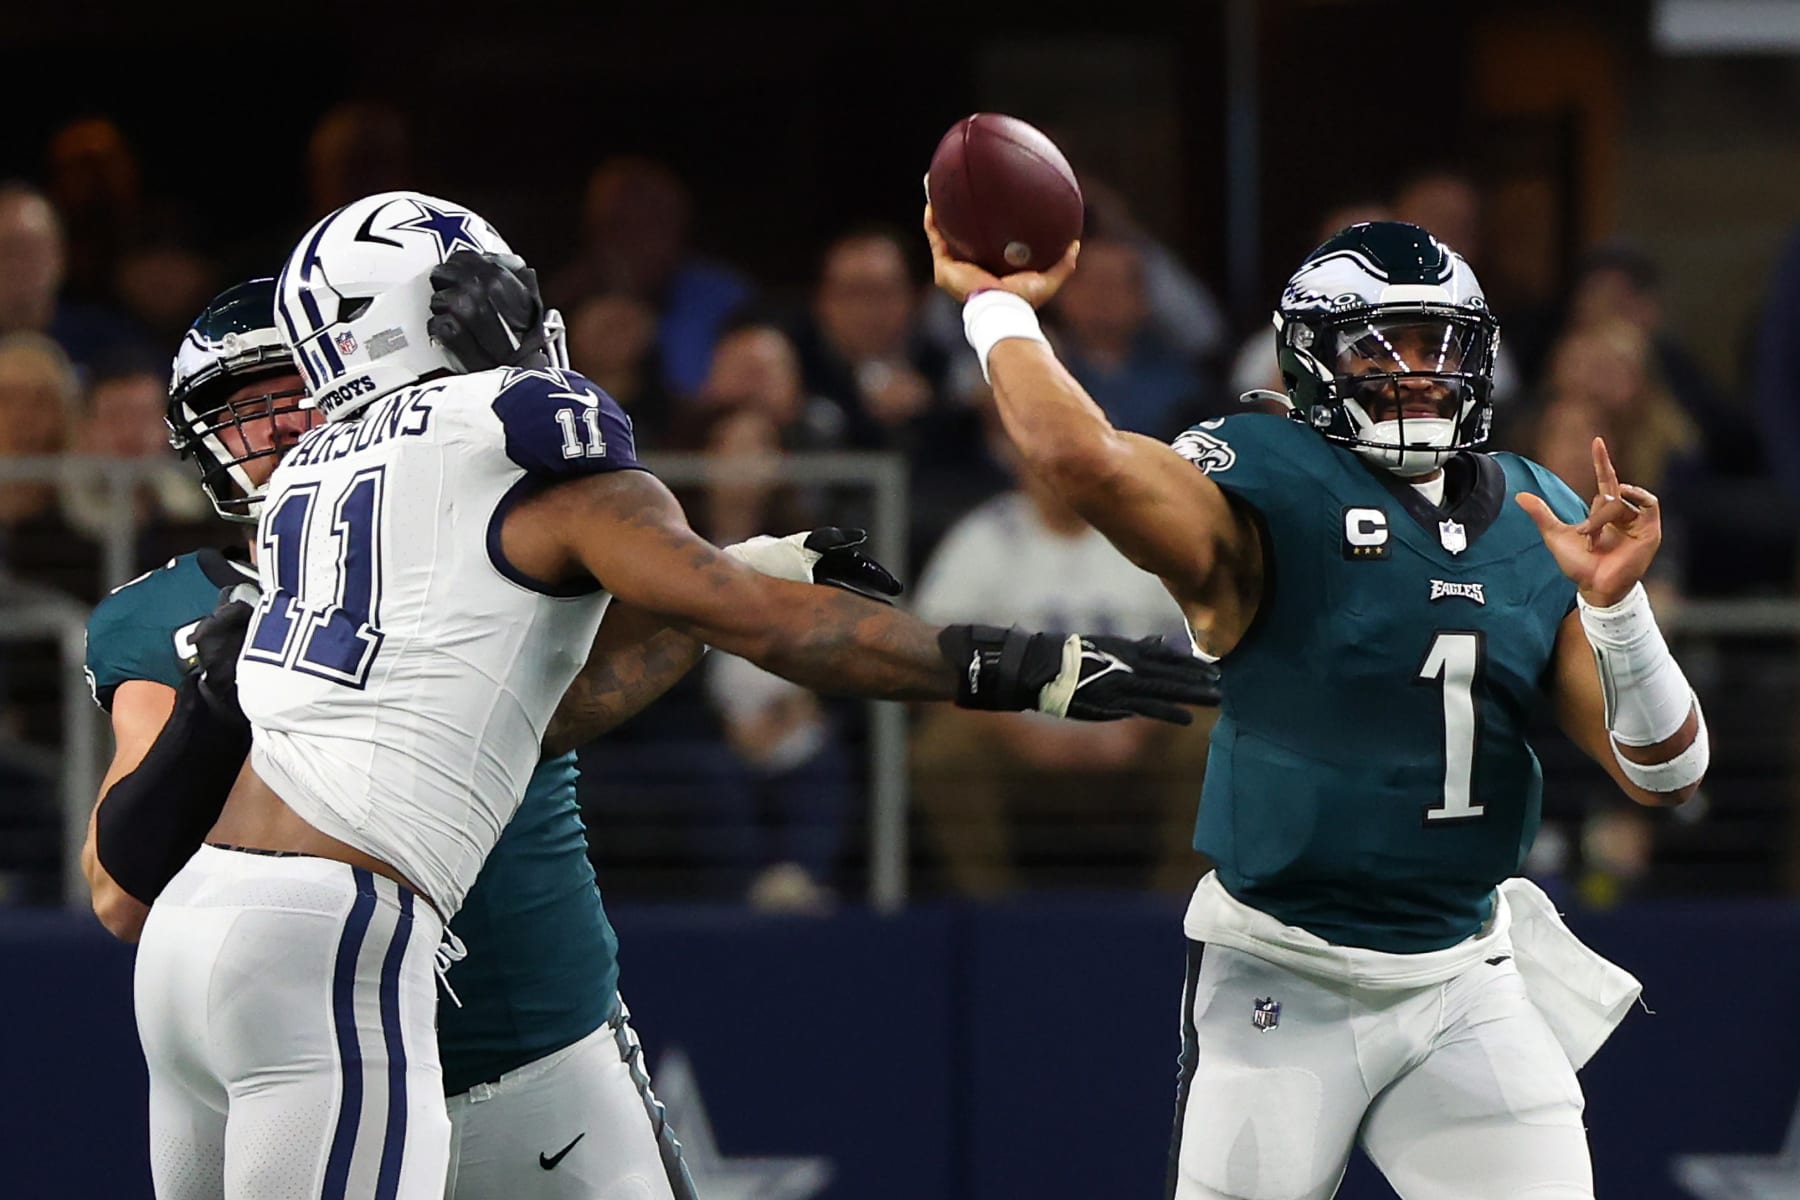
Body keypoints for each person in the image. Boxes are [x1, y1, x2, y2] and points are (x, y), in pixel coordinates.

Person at [117, 191, 1214, 1200]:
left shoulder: (313, 479)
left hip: (195, 942)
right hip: (334, 932)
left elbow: (502, 712)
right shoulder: (515, 431)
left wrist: (731, 577)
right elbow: (763, 625)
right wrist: (1014, 663)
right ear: (446, 306)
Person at [925, 212, 1708, 1200]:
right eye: (1385, 348)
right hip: (1284, 977)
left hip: (1464, 973)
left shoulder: (1531, 509)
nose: (1421, 374)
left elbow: (1667, 774)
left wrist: (1618, 609)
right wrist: (998, 308)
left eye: (1439, 345)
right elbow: (1083, 461)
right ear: (1308, 361)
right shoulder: (1265, 484)